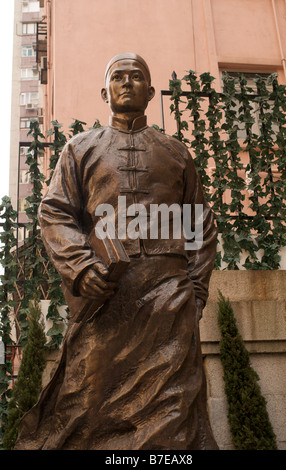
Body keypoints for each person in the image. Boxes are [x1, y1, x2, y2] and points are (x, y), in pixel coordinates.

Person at [15, 53, 218, 450]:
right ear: (104, 90)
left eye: (136, 76)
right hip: (105, 296)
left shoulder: (176, 152)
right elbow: (55, 212)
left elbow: (201, 224)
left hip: (169, 297)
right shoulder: (80, 149)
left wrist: (194, 291)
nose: (127, 83)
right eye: (118, 77)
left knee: (173, 409)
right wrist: (80, 266)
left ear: (151, 90)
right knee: (83, 401)